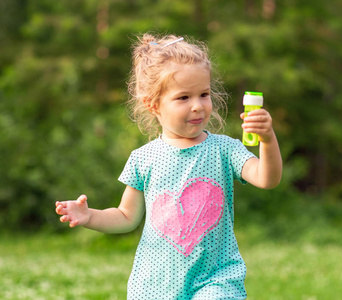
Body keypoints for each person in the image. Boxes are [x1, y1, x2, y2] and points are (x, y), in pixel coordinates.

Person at [55, 33, 282, 299]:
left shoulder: (225, 149)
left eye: (204, 94)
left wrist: (267, 139)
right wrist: (90, 216)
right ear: (153, 104)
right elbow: (126, 217)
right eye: (183, 97)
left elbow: (267, 178)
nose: (198, 106)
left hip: (216, 279)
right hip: (156, 284)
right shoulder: (143, 159)